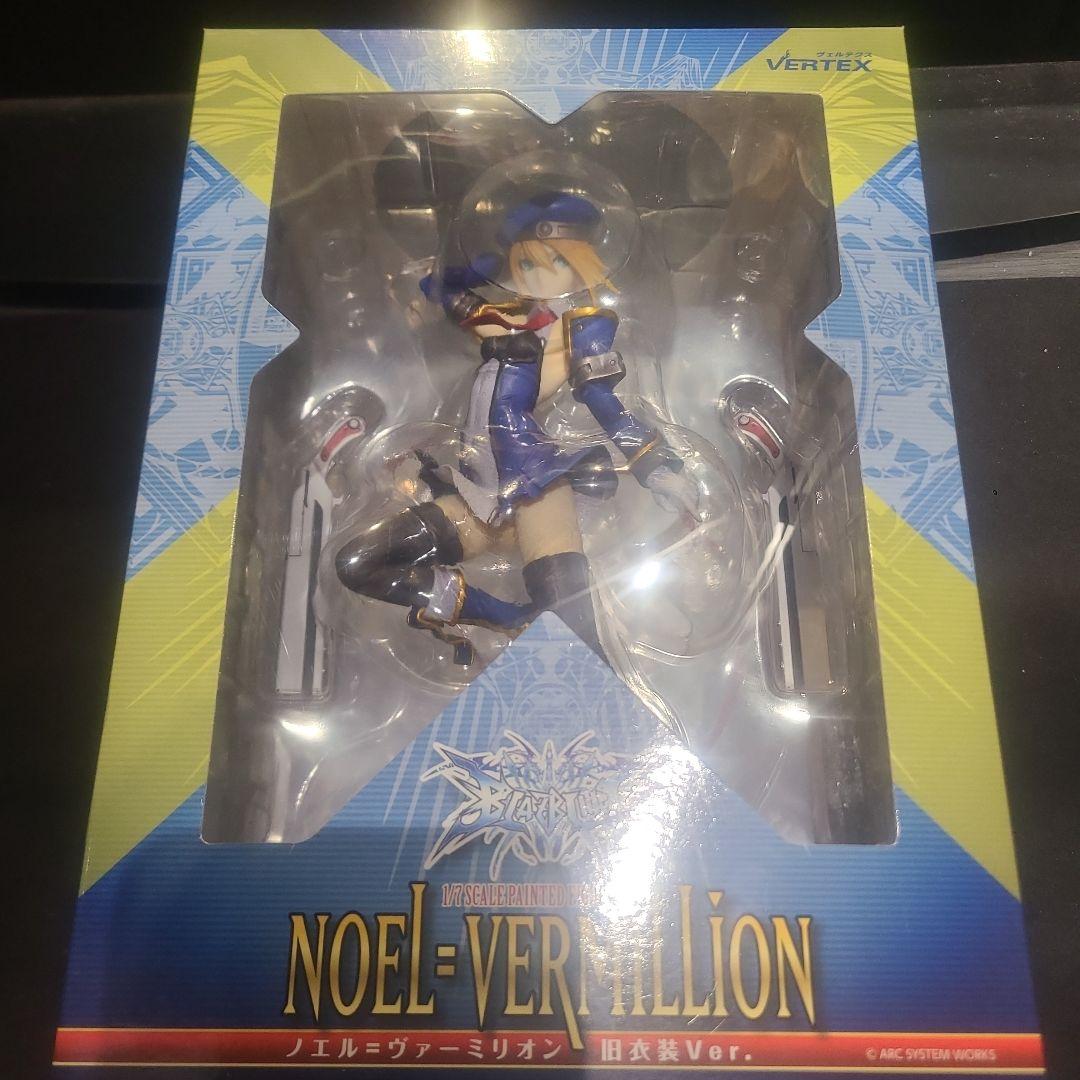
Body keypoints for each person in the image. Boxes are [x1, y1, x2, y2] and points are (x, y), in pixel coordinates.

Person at [335, 190, 701, 664]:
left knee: (574, 627)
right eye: (525, 263)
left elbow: (603, 400)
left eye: (556, 261)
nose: (537, 274)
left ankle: (597, 683)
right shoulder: (505, 320)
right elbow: (445, 293)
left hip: (537, 493)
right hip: (478, 495)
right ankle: (508, 619)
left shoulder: (582, 329)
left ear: (581, 264)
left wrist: (656, 468)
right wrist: (460, 273)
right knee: (359, 563)